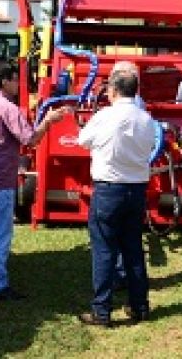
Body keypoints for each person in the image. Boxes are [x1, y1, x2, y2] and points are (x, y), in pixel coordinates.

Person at [0, 60, 70, 300]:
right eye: (16, 79)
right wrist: (48, 122)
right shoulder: (8, 109)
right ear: (5, 81)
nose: (18, 84)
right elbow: (30, 140)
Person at [76, 69, 159, 327]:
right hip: (136, 190)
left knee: (104, 251)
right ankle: (140, 306)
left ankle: (102, 310)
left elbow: (82, 141)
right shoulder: (146, 120)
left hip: (109, 189)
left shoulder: (105, 116)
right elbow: (150, 148)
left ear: (112, 90)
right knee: (133, 249)